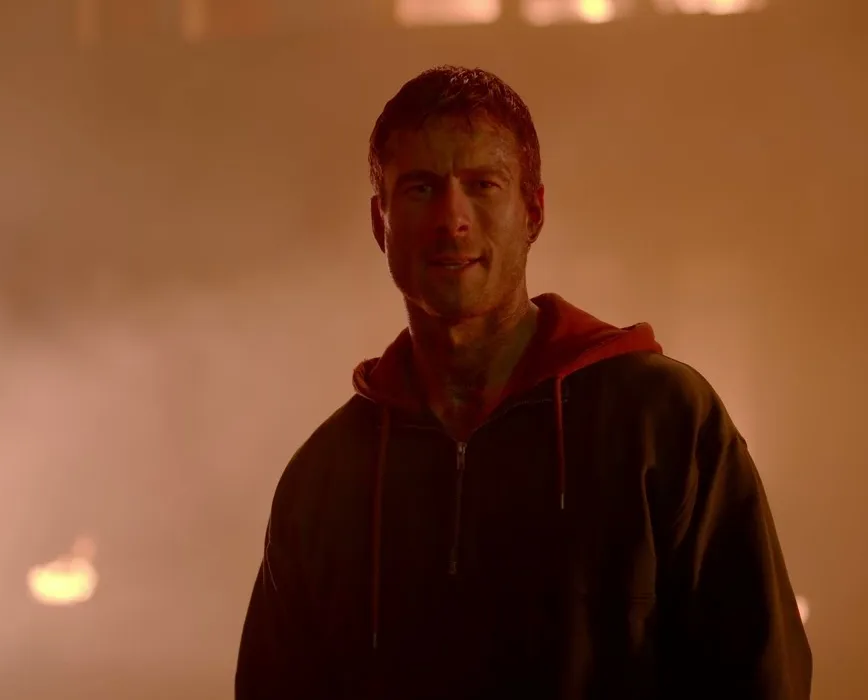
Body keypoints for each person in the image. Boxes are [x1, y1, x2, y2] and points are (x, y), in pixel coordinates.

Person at [236, 65, 811, 699]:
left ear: (532, 211)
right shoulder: (324, 480)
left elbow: (760, 675)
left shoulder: (662, 421)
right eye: (421, 189)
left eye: (482, 185)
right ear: (381, 222)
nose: (452, 219)